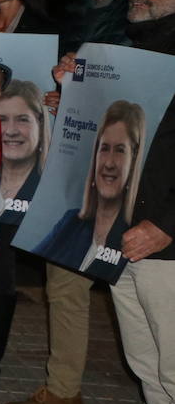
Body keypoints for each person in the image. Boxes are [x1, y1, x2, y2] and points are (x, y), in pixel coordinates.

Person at [7, 0, 137, 404]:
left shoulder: (142, 19)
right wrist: (61, 92)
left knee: (134, 299)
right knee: (63, 281)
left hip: (132, 176)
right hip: (78, 165)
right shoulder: (74, 18)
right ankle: (63, 390)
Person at [105, 0, 175, 404]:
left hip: (166, 247)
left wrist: (170, 227)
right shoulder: (135, 50)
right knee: (149, 369)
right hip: (123, 239)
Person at [0, 80, 49, 403]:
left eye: (23, 119)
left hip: (19, 213)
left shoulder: (44, 187)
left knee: (2, 276)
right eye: (2, 119)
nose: (11, 130)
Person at [33, 101, 144, 284]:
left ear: (134, 161)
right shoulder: (71, 222)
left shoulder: (136, 234)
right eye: (104, 148)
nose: (109, 163)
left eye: (120, 150)